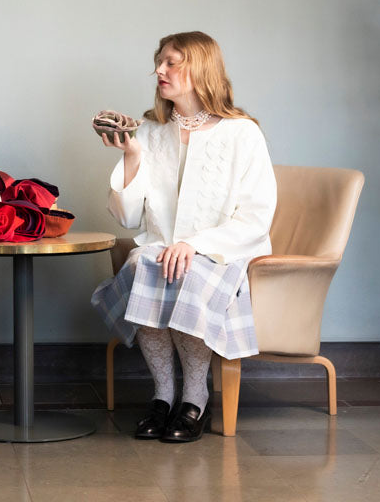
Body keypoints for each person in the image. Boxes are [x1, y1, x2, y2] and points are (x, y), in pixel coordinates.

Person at [91, 31, 276, 442]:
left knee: (188, 272)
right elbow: (128, 217)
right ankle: (162, 395)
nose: (159, 70)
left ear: (201, 68)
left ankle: (194, 397)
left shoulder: (241, 133)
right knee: (145, 264)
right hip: (161, 247)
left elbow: (256, 217)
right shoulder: (150, 132)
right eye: (159, 62)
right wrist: (131, 155)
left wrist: (195, 245)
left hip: (221, 252)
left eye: (171, 63)